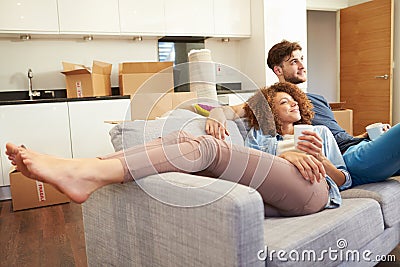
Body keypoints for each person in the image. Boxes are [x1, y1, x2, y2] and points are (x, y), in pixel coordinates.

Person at [6, 82, 350, 217]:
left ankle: (84, 173)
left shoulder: (318, 129)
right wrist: (218, 114)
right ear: (265, 109)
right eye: (279, 101)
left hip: (313, 189)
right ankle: (85, 168)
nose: (289, 105)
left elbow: (344, 179)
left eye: (293, 101)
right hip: (263, 193)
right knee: (180, 142)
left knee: (210, 148)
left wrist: (317, 159)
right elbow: (205, 108)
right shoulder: (255, 134)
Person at [206, 40, 400, 187]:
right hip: (348, 158)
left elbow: (339, 137)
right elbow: (230, 111)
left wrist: (365, 136)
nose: (301, 65)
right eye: (293, 62)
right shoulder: (271, 102)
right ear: (278, 69)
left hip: (360, 145)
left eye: (302, 59)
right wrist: (215, 114)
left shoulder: (316, 99)